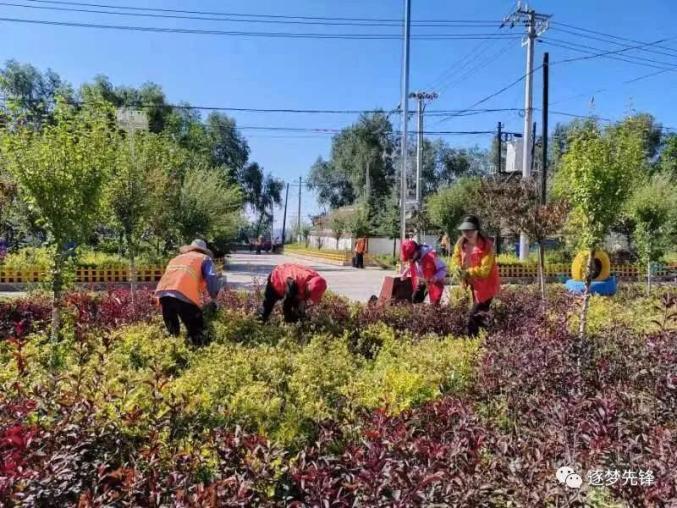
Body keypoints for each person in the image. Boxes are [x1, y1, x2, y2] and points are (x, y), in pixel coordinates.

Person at [155, 239, 221, 345]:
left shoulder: (177, 258)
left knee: (172, 333)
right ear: (203, 251)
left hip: (164, 294)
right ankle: (199, 350)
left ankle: (173, 351)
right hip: (184, 294)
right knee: (197, 332)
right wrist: (214, 297)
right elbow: (211, 277)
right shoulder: (204, 258)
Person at [451, 215, 500, 337]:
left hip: (486, 286)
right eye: (464, 231)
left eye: (470, 230)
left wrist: (468, 272)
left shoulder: (486, 246)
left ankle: (472, 340)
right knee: (480, 316)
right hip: (472, 285)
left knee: (473, 317)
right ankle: (486, 339)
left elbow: (485, 271)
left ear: (477, 230)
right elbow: (455, 259)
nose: (467, 233)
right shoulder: (460, 244)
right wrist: (456, 268)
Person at [259, 263, 327, 323]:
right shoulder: (293, 284)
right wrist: (290, 321)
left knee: (298, 307)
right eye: (310, 294)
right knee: (268, 306)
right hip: (277, 276)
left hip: (293, 278)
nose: (310, 297)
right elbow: (286, 306)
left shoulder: (318, 280)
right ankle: (260, 321)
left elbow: (306, 295)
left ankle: (298, 320)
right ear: (308, 285)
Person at [400, 239, 447, 305]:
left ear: (416, 250)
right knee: (415, 299)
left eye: (411, 256)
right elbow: (411, 264)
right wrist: (405, 272)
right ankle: (419, 310)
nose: (411, 259)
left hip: (434, 281)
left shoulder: (431, 256)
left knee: (434, 303)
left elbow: (443, 269)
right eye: (409, 258)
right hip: (423, 281)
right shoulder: (415, 256)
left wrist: (435, 277)